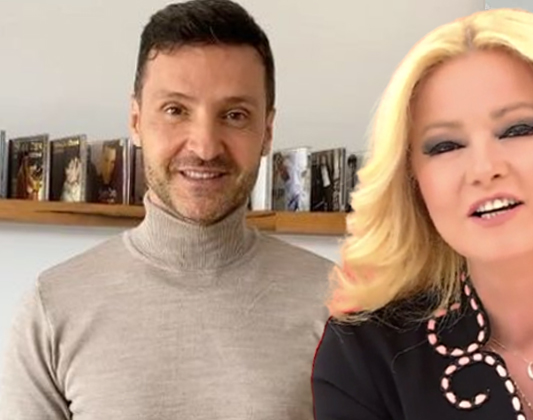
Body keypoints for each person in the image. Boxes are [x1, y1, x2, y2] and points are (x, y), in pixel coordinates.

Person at [0, 1, 331, 419]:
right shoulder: (51, 309)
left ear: (267, 131)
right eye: (175, 110)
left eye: (235, 115)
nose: (204, 146)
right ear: (136, 120)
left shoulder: (335, 305)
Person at [312, 8, 533, 420]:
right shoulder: (364, 354)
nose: (483, 169)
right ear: (414, 184)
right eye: (445, 146)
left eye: (518, 130)